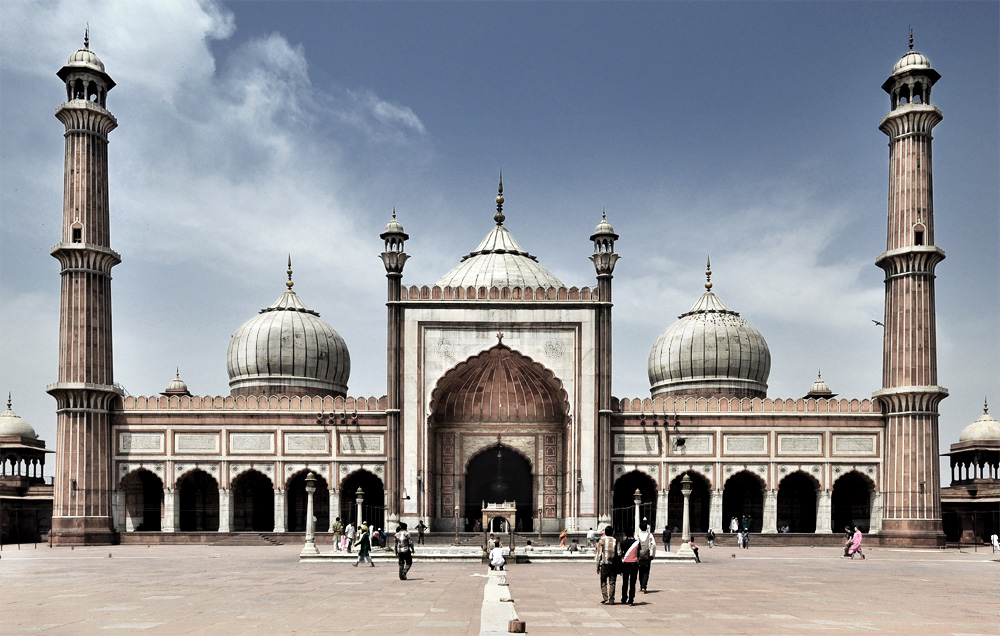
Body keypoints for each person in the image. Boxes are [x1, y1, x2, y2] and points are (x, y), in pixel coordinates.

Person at [595, 525, 618, 605]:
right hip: (613, 564)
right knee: (612, 582)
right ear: (612, 532)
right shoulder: (615, 541)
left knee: (603, 581)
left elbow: (599, 554)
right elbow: (619, 553)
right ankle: (611, 599)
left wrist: (597, 566)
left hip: (604, 564)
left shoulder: (602, 541)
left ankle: (605, 597)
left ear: (605, 532)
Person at [618, 531, 640, 606]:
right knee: (632, 583)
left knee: (625, 582)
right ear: (633, 534)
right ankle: (631, 599)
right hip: (634, 563)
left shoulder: (623, 543)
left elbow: (621, 554)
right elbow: (639, 552)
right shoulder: (637, 543)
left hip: (626, 563)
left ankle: (624, 598)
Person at [636, 521, 656, 593]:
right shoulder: (650, 535)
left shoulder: (637, 536)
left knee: (640, 570)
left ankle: (641, 586)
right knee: (646, 571)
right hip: (647, 556)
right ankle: (644, 586)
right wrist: (652, 555)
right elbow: (653, 545)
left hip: (639, 556)